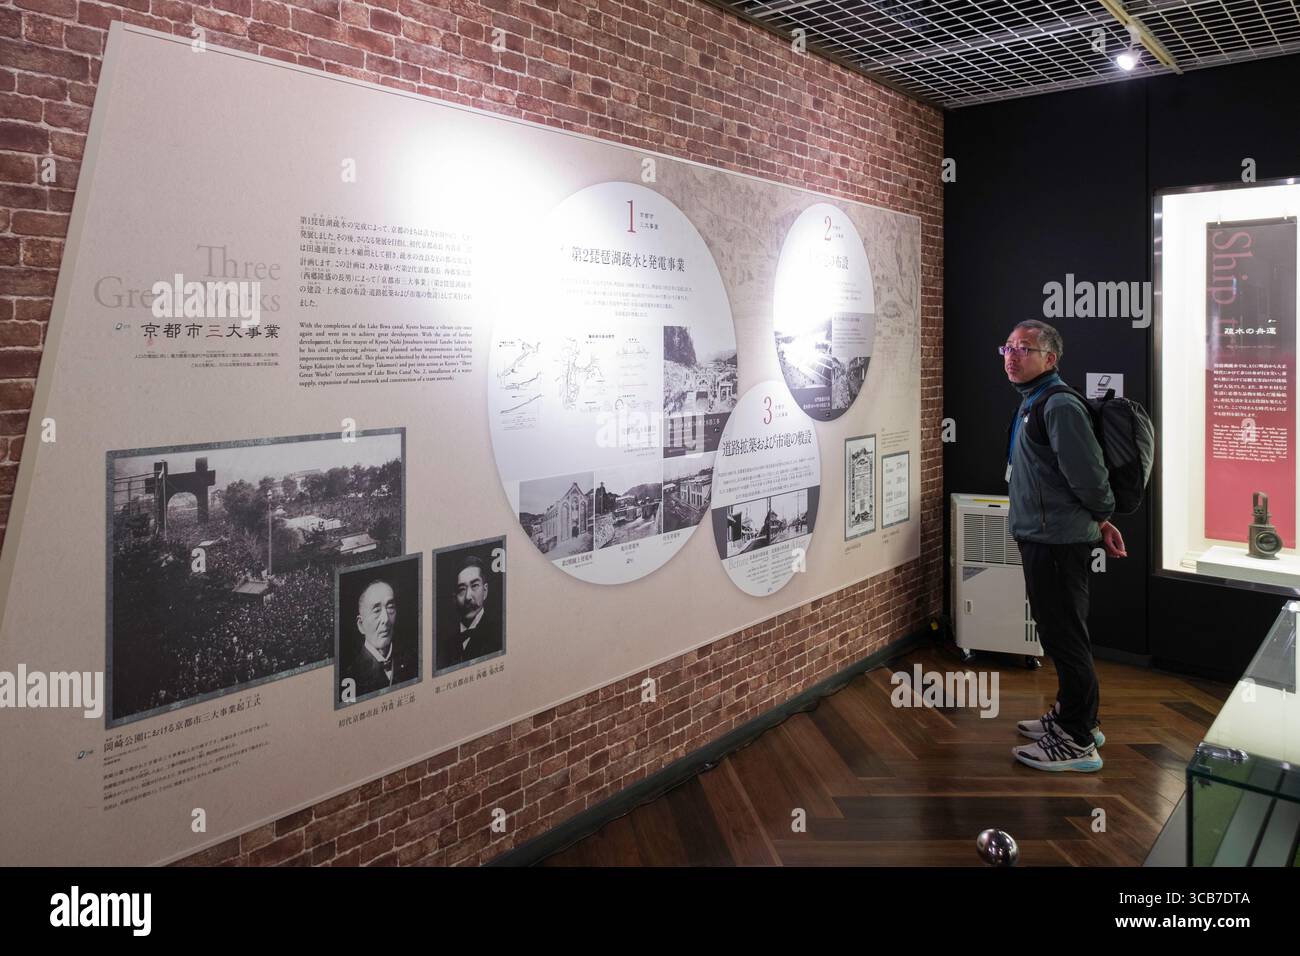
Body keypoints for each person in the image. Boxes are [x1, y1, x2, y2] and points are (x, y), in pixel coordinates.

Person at [1001, 320, 1126, 772]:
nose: (1012, 356)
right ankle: (1077, 719)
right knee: (1063, 633)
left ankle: (1076, 741)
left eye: (1024, 349)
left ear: (1050, 359)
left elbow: (1089, 478)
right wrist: (1101, 521)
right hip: (1046, 537)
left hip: (1056, 542)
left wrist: (1101, 515)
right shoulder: (1034, 400)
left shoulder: (1059, 406)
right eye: (1009, 347)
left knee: (1065, 637)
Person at [342, 578, 415, 699]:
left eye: (390, 607)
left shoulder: (413, 661)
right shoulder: (349, 676)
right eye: (376, 610)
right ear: (361, 625)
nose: (385, 619)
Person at [439, 555, 501, 670]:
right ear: (454, 598)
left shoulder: (499, 634)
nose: (468, 597)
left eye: (474, 586)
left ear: (485, 591)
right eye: (462, 589)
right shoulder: (444, 644)